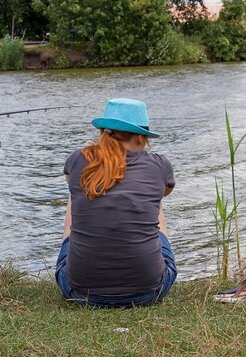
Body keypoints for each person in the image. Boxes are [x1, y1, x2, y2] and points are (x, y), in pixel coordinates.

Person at [55, 98, 177, 308]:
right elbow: (165, 193)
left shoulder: (77, 159)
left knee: (79, 191)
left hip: (79, 292)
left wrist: (102, 180)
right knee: (154, 200)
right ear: (141, 137)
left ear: (103, 132)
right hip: (148, 292)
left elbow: (69, 181)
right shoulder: (159, 166)